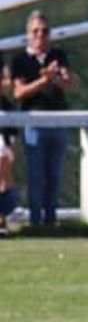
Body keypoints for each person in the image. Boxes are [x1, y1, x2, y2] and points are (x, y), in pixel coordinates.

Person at [9, 11, 75, 228]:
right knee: (36, 177)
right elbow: (18, 93)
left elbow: (69, 83)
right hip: (34, 123)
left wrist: (55, 77)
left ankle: (51, 221)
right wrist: (43, 80)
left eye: (45, 31)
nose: (40, 36)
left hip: (58, 121)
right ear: (28, 34)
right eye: (35, 31)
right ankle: (36, 223)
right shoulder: (20, 60)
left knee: (55, 176)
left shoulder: (58, 55)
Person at [0, 61, 15, 237]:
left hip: (3, 147)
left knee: (5, 184)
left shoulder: (7, 104)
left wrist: (10, 147)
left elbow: (10, 132)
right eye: (4, 78)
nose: (8, 83)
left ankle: (2, 221)